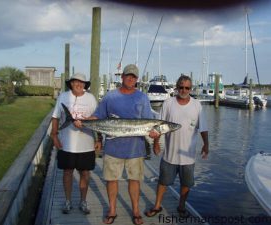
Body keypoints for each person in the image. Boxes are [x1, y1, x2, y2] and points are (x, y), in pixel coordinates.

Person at [75, 64, 158, 225]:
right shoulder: (110, 97)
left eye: (133, 77)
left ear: (137, 79)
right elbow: (98, 116)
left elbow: (150, 123)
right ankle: (112, 210)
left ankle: (135, 210)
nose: (130, 79)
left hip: (136, 149)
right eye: (128, 75)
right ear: (122, 77)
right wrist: (81, 122)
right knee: (111, 180)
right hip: (113, 148)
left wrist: (155, 135)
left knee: (135, 180)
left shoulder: (142, 97)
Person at [145, 75, 209, 218]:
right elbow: (159, 126)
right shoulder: (168, 103)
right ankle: (157, 206)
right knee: (163, 182)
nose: (184, 90)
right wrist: (156, 143)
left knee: (186, 184)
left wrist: (206, 145)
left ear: (190, 89)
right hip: (169, 155)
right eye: (181, 87)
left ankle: (181, 206)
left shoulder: (197, 105)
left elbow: (203, 128)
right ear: (176, 87)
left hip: (188, 156)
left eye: (187, 87)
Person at [51, 73, 101, 215]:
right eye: (75, 82)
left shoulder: (91, 98)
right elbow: (55, 117)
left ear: (85, 85)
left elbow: (97, 120)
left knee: (85, 173)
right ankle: (67, 201)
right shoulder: (63, 97)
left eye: (82, 82)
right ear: (71, 83)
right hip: (66, 144)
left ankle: (83, 201)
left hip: (86, 144)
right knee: (67, 172)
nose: (79, 84)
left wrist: (98, 139)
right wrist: (54, 136)